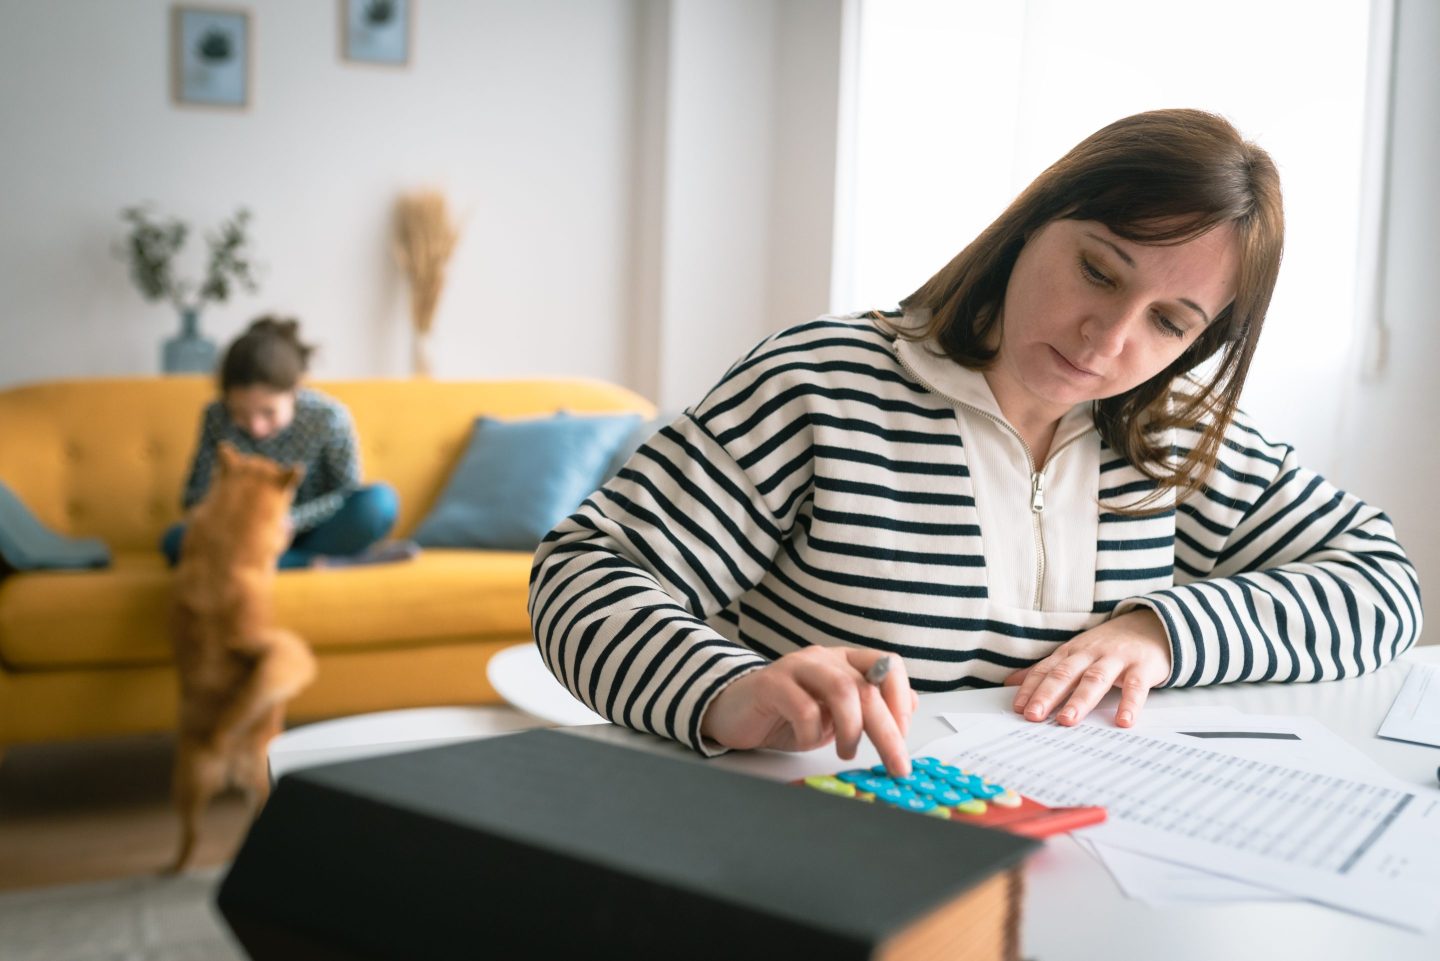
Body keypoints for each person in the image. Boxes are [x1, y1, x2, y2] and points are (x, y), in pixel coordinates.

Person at [528, 109, 1421, 776]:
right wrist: (726, 690)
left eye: (1170, 323)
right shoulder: (823, 385)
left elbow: (1383, 584)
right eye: (1098, 271)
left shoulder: (1176, 438)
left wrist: (1164, 631)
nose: (1106, 341)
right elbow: (583, 574)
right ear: (1032, 223)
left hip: (1073, 854)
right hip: (806, 851)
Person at [162, 316, 412, 570]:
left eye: (268, 412)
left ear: (295, 391)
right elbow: (194, 497)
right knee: (175, 541)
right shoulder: (216, 417)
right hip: (243, 537)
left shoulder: (328, 417)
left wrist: (289, 520)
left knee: (378, 503)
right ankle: (324, 565)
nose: (256, 427)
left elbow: (346, 493)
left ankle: (282, 561)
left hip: (316, 533)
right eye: (240, 413)